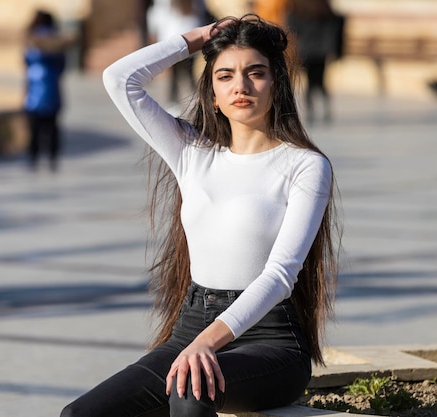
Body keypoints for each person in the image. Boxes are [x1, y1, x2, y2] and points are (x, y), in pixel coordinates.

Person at [61, 14, 340, 416]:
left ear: (277, 84)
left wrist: (208, 342)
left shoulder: (305, 166)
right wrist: (197, 38)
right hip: (191, 327)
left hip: (269, 340)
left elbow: (280, 276)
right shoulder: (191, 152)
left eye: (255, 73)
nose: (240, 86)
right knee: (79, 414)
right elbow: (120, 80)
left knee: (190, 394)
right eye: (225, 76)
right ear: (211, 92)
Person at [23, 10, 70, 172]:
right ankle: (52, 159)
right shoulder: (57, 40)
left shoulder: (32, 38)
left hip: (34, 87)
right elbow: (63, 64)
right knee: (52, 127)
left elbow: (26, 60)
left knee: (34, 128)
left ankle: (33, 158)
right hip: (52, 86)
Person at [286, 0, 344, 123]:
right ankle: (325, 108)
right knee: (320, 80)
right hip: (321, 51)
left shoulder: (299, 9)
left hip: (306, 50)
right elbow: (336, 25)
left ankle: (311, 109)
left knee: (310, 80)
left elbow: (292, 27)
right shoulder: (324, 9)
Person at [148, 0, 205, 104]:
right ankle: (195, 101)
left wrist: (156, 38)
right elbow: (201, 12)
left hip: (172, 40)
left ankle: (174, 102)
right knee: (190, 74)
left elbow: (156, 17)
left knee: (174, 75)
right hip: (191, 39)